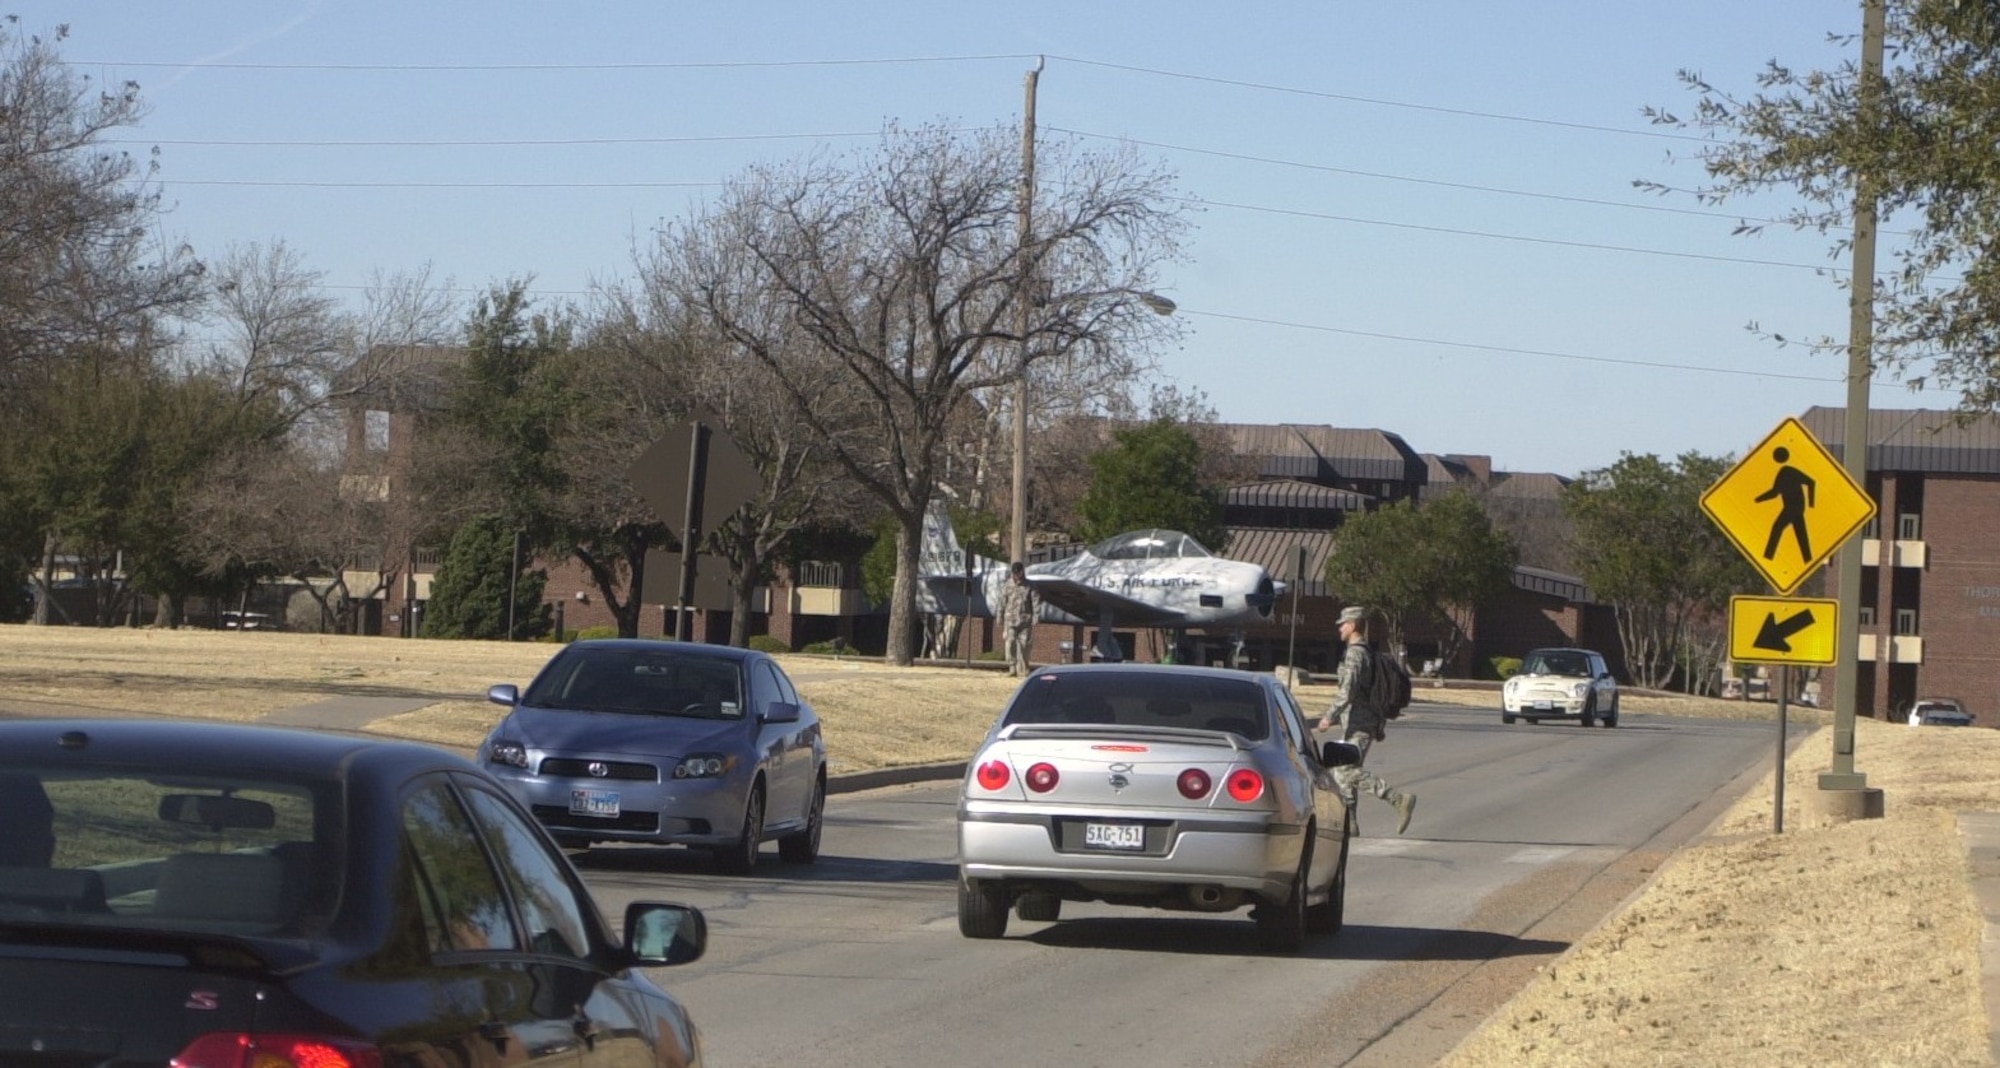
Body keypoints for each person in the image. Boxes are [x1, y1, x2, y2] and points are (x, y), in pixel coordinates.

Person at [1316, 605, 1418, 835]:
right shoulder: (1365, 652)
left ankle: (1397, 799)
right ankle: (1349, 824)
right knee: (1346, 773)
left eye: (1342, 624)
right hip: (1360, 721)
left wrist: (1327, 717)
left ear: (1352, 625)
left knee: (1345, 769)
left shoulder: (1355, 653)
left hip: (1359, 722)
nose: (1340, 628)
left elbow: (1348, 690)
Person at [998, 561, 1037, 678]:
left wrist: (1036, 617)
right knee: (1010, 643)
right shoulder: (1007, 585)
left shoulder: (1030, 586)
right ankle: (1012, 667)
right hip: (1010, 620)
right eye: (1014, 573)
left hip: (1025, 620)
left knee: (1024, 645)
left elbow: (1036, 602)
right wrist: (999, 615)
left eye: (1018, 573)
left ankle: (1024, 668)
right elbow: (1002, 601)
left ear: (1022, 572)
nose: (1016, 575)